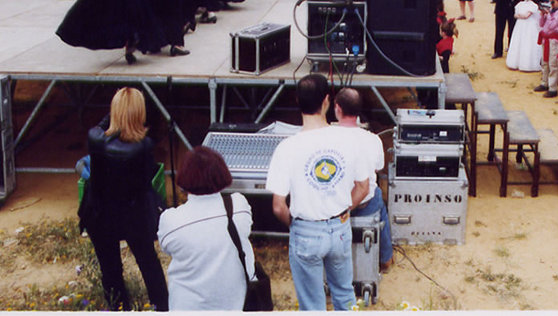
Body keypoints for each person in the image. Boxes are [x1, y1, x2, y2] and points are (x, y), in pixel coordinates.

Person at [266, 74, 369, 311]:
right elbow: (363, 187)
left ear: (297, 101)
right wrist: (343, 209)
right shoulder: (350, 140)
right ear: (327, 101)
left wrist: (296, 225)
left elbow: (278, 206)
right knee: (345, 295)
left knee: (312, 305)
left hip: (305, 230)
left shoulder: (286, 148)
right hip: (340, 226)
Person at [78, 88, 168, 311]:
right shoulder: (143, 147)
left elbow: (103, 125)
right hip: (132, 215)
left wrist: (118, 112)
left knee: (110, 269)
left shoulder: (95, 138)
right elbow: (147, 179)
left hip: (99, 214)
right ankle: (162, 306)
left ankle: (118, 307)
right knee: (149, 264)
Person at [158, 146, 255, 311]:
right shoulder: (239, 205)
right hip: (237, 305)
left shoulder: (170, 221)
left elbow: (167, 248)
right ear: (221, 173)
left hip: (187, 306)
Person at [336, 88, 393, 272]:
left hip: (336, 207)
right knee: (377, 196)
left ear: (337, 109)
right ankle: (386, 259)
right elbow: (378, 168)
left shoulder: (327, 138)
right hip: (365, 204)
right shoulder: (373, 139)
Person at [535, 0, 558, 98]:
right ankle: (544, 82)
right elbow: (541, 23)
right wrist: (543, 15)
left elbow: (553, 25)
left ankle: (553, 88)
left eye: (553, 2)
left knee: (553, 63)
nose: (551, 4)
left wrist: (548, 14)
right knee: (544, 61)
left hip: (553, 39)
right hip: (546, 38)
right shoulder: (551, 10)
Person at [506, 0, 542, 72]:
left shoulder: (533, 5)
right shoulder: (520, 4)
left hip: (529, 26)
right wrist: (520, 16)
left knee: (528, 42)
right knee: (518, 41)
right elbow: (515, 15)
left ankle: (527, 64)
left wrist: (520, 16)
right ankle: (516, 62)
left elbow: (526, 16)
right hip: (520, 26)